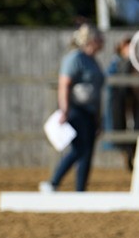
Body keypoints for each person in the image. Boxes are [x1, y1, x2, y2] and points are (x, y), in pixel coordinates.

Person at [40, 23, 105, 192]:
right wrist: (64, 109)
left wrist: (98, 116)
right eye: (99, 37)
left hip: (90, 111)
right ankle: (53, 182)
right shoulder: (74, 58)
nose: (102, 40)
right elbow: (64, 84)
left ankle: (80, 189)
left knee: (88, 151)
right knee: (79, 148)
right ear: (91, 40)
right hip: (76, 109)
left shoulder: (93, 61)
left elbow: (97, 91)